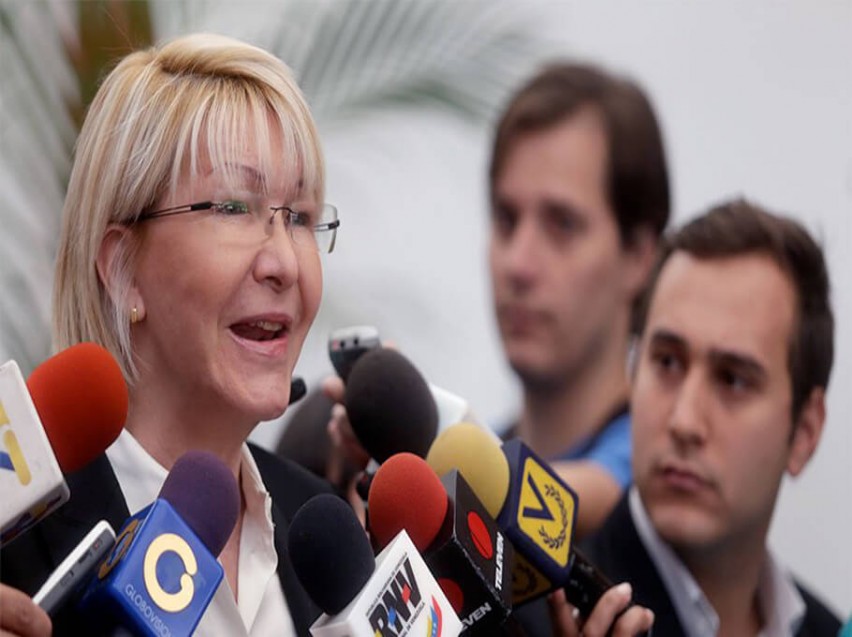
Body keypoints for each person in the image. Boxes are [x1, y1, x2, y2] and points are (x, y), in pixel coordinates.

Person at [0, 33, 339, 636]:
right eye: (234, 207)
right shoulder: (21, 544)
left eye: (301, 217)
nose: (285, 263)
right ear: (122, 270)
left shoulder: (326, 539)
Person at [576, 199, 840, 635]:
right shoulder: (538, 618)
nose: (684, 422)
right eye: (667, 362)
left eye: (733, 380)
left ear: (805, 432)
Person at [488, 62, 670, 537]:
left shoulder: (668, 473)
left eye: (562, 225)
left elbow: (600, 495)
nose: (518, 264)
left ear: (639, 255)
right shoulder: (483, 451)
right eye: (506, 220)